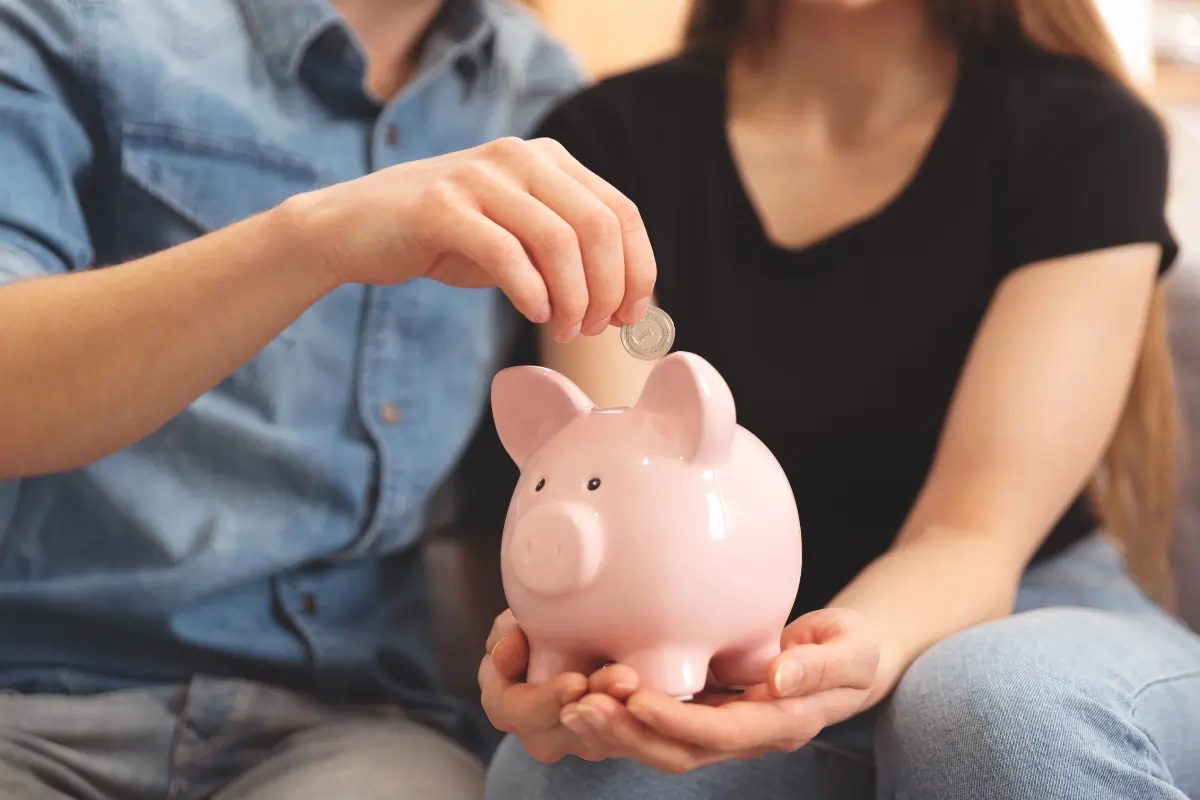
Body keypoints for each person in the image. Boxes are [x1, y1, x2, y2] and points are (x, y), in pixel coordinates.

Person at [480, 0, 1200, 797]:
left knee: (995, 704)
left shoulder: (1086, 135)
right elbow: (606, 496)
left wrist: (819, 664)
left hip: (1025, 607)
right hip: (717, 642)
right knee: (588, 771)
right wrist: (574, 655)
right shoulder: (610, 139)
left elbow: (972, 535)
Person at [0, 0, 658, 797]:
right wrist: (316, 240)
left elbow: (598, 442)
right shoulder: (78, 22)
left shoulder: (542, 92)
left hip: (356, 729)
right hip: (33, 695)